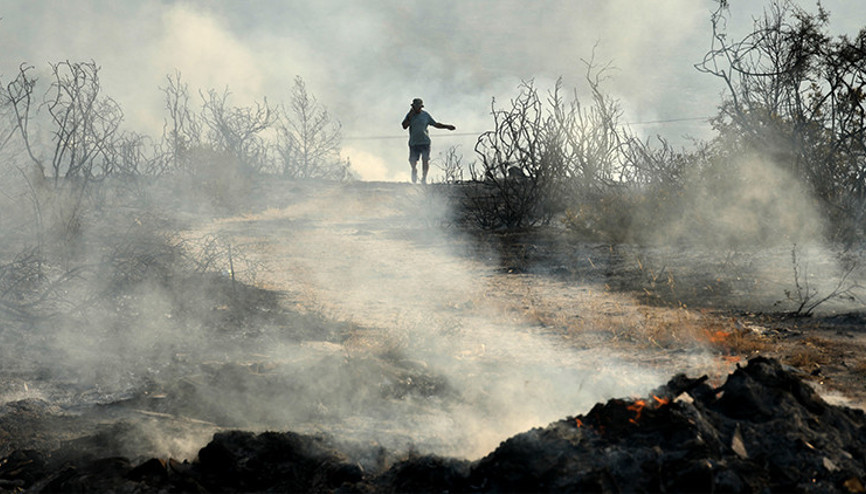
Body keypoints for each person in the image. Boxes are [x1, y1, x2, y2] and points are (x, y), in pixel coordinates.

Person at [401, 98, 455, 184]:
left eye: (419, 107)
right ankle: (414, 170)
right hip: (414, 142)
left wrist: (447, 126)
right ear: (413, 107)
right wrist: (410, 116)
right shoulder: (409, 115)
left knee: (425, 160)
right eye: (415, 107)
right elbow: (404, 126)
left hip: (425, 142)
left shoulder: (425, 115)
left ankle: (424, 178)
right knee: (413, 161)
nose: (417, 108)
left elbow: (435, 124)